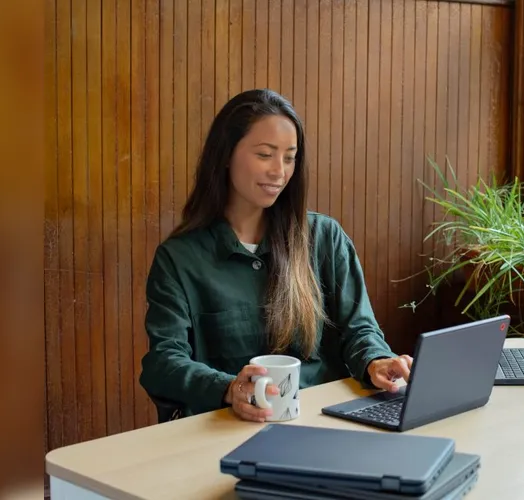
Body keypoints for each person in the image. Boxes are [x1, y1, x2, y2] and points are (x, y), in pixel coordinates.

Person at [139, 89, 413, 422]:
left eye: (289, 157)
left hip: (325, 421)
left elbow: (360, 329)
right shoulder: (180, 258)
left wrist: (376, 361)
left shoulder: (324, 238)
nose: (279, 171)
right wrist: (228, 388)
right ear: (226, 154)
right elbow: (164, 362)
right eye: (265, 154)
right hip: (230, 429)